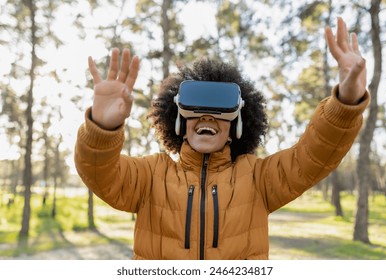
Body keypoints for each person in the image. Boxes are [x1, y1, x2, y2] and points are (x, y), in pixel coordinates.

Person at [74, 17, 369, 260]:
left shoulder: (259, 179)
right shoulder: (150, 176)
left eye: (220, 109)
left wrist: (345, 102)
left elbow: (314, 155)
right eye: (195, 107)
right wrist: (102, 127)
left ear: (239, 120)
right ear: (177, 117)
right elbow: (100, 173)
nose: (206, 117)